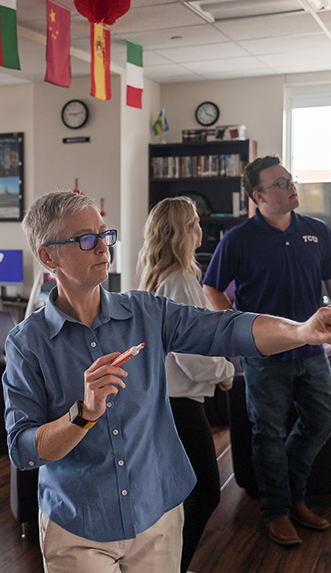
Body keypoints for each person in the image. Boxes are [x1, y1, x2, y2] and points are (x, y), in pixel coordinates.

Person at [3, 190, 331, 573]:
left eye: (105, 234)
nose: (103, 247)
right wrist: (83, 414)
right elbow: (24, 449)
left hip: (158, 516)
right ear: (48, 256)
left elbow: (226, 329)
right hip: (78, 526)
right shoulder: (27, 343)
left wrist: (302, 330)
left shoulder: (146, 312)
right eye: (86, 239)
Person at [202, 154, 331, 547]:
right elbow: (212, 288)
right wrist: (236, 334)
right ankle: (277, 510)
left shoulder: (317, 231)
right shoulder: (238, 239)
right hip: (265, 357)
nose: (291, 187)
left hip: (313, 352)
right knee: (268, 433)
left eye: (290, 180)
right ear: (257, 196)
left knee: (323, 420)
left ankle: (291, 494)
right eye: (280, 183)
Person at [137, 196, 235, 572]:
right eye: (193, 223)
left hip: (164, 402)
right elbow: (193, 355)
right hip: (180, 404)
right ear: (178, 232)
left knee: (174, 495)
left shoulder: (158, 277)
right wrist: (225, 373)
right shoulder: (180, 281)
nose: (200, 230)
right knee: (206, 492)